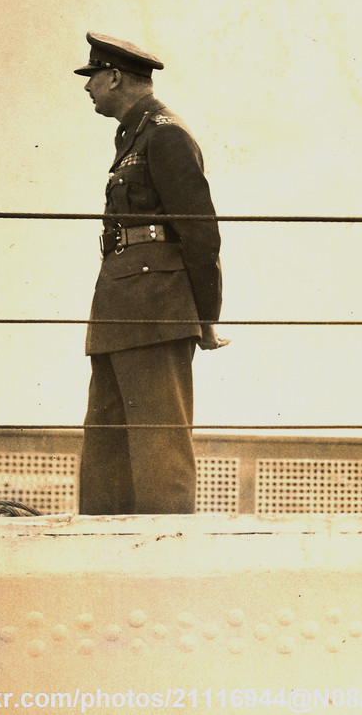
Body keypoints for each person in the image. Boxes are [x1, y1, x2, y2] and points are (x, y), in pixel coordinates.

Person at [74, 32, 226, 515]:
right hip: (119, 309)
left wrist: (204, 316)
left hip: (158, 309)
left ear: (115, 76)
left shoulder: (165, 134)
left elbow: (201, 234)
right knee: (106, 451)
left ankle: (168, 569)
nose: (88, 87)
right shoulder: (132, 137)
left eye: (93, 76)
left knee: (160, 453)